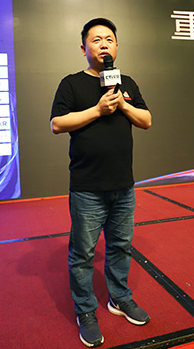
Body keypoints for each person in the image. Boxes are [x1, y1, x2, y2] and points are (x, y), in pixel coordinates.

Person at [50, 18, 152, 347]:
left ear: (117, 46)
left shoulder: (126, 83)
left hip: (124, 185)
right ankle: (85, 310)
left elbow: (146, 120)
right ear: (84, 48)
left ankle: (119, 298)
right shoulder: (71, 84)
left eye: (109, 39)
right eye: (96, 40)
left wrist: (122, 103)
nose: (103, 44)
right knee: (82, 254)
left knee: (120, 247)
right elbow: (57, 124)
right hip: (87, 188)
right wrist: (97, 110)